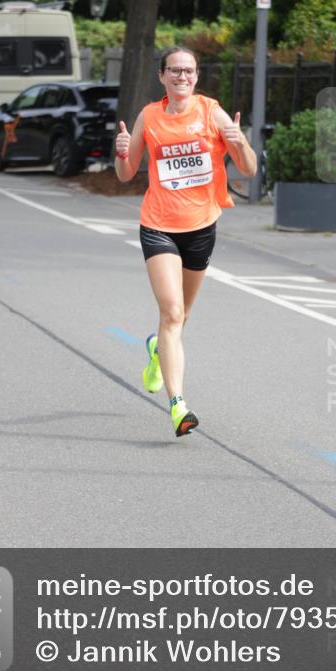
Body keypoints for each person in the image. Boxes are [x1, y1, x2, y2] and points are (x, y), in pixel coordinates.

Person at [114, 47, 257, 437]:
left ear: (196, 77)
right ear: (162, 76)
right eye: (175, 71)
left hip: (201, 226)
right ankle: (178, 404)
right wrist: (122, 153)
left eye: (189, 71)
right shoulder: (150, 116)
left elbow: (248, 168)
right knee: (173, 312)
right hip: (158, 224)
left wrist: (239, 141)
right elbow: (126, 174)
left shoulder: (212, 112)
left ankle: (157, 349)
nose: (182, 77)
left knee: (181, 317)